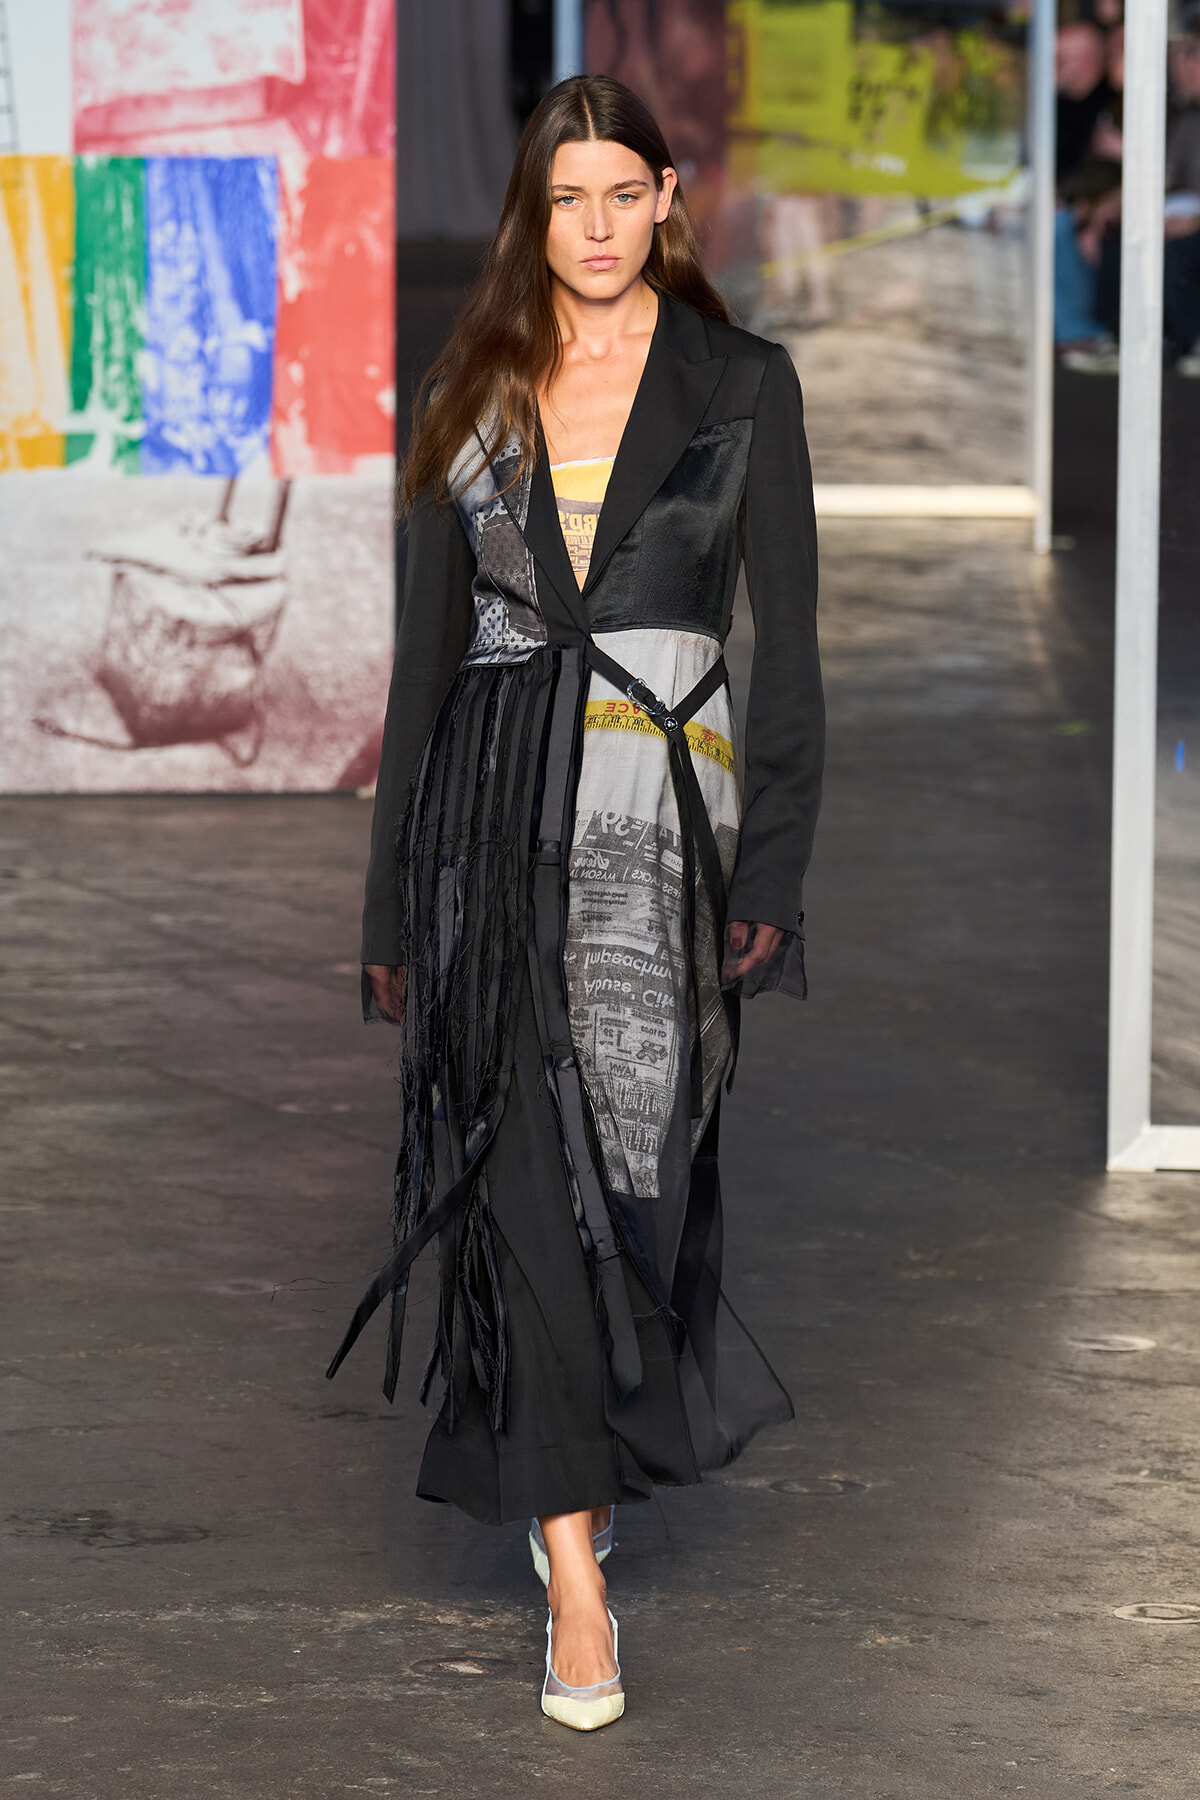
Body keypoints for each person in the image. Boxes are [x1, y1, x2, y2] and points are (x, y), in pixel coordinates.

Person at [327, 74, 823, 1731]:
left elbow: (794, 656)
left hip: (659, 835)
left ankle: (580, 1475)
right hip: (487, 818)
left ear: (668, 201)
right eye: (567, 200)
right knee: (523, 1173)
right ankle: (579, 1583)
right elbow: (420, 665)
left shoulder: (742, 383)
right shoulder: (468, 387)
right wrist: (394, 898)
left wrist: (777, 872)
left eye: (625, 194)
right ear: (534, 216)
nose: (597, 227)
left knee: (640, 1181)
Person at [1054, 19, 1118, 356]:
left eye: (1060, 58)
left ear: (1087, 60)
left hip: (1098, 202)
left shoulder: (1113, 102)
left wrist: (1089, 207)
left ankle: (1080, 333)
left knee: (1057, 226)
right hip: (1068, 199)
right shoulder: (1054, 104)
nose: (1051, 68)